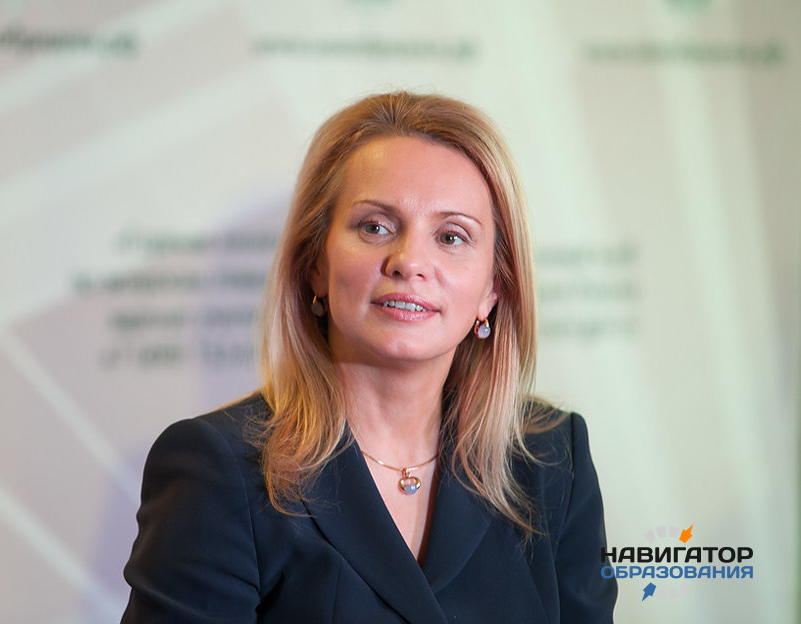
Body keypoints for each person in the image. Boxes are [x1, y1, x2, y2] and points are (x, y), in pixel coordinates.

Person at [120, 91, 617, 623]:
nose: (409, 261)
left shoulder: (552, 459)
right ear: (315, 264)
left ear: (493, 289)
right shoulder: (219, 471)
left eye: (451, 236)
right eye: (375, 227)